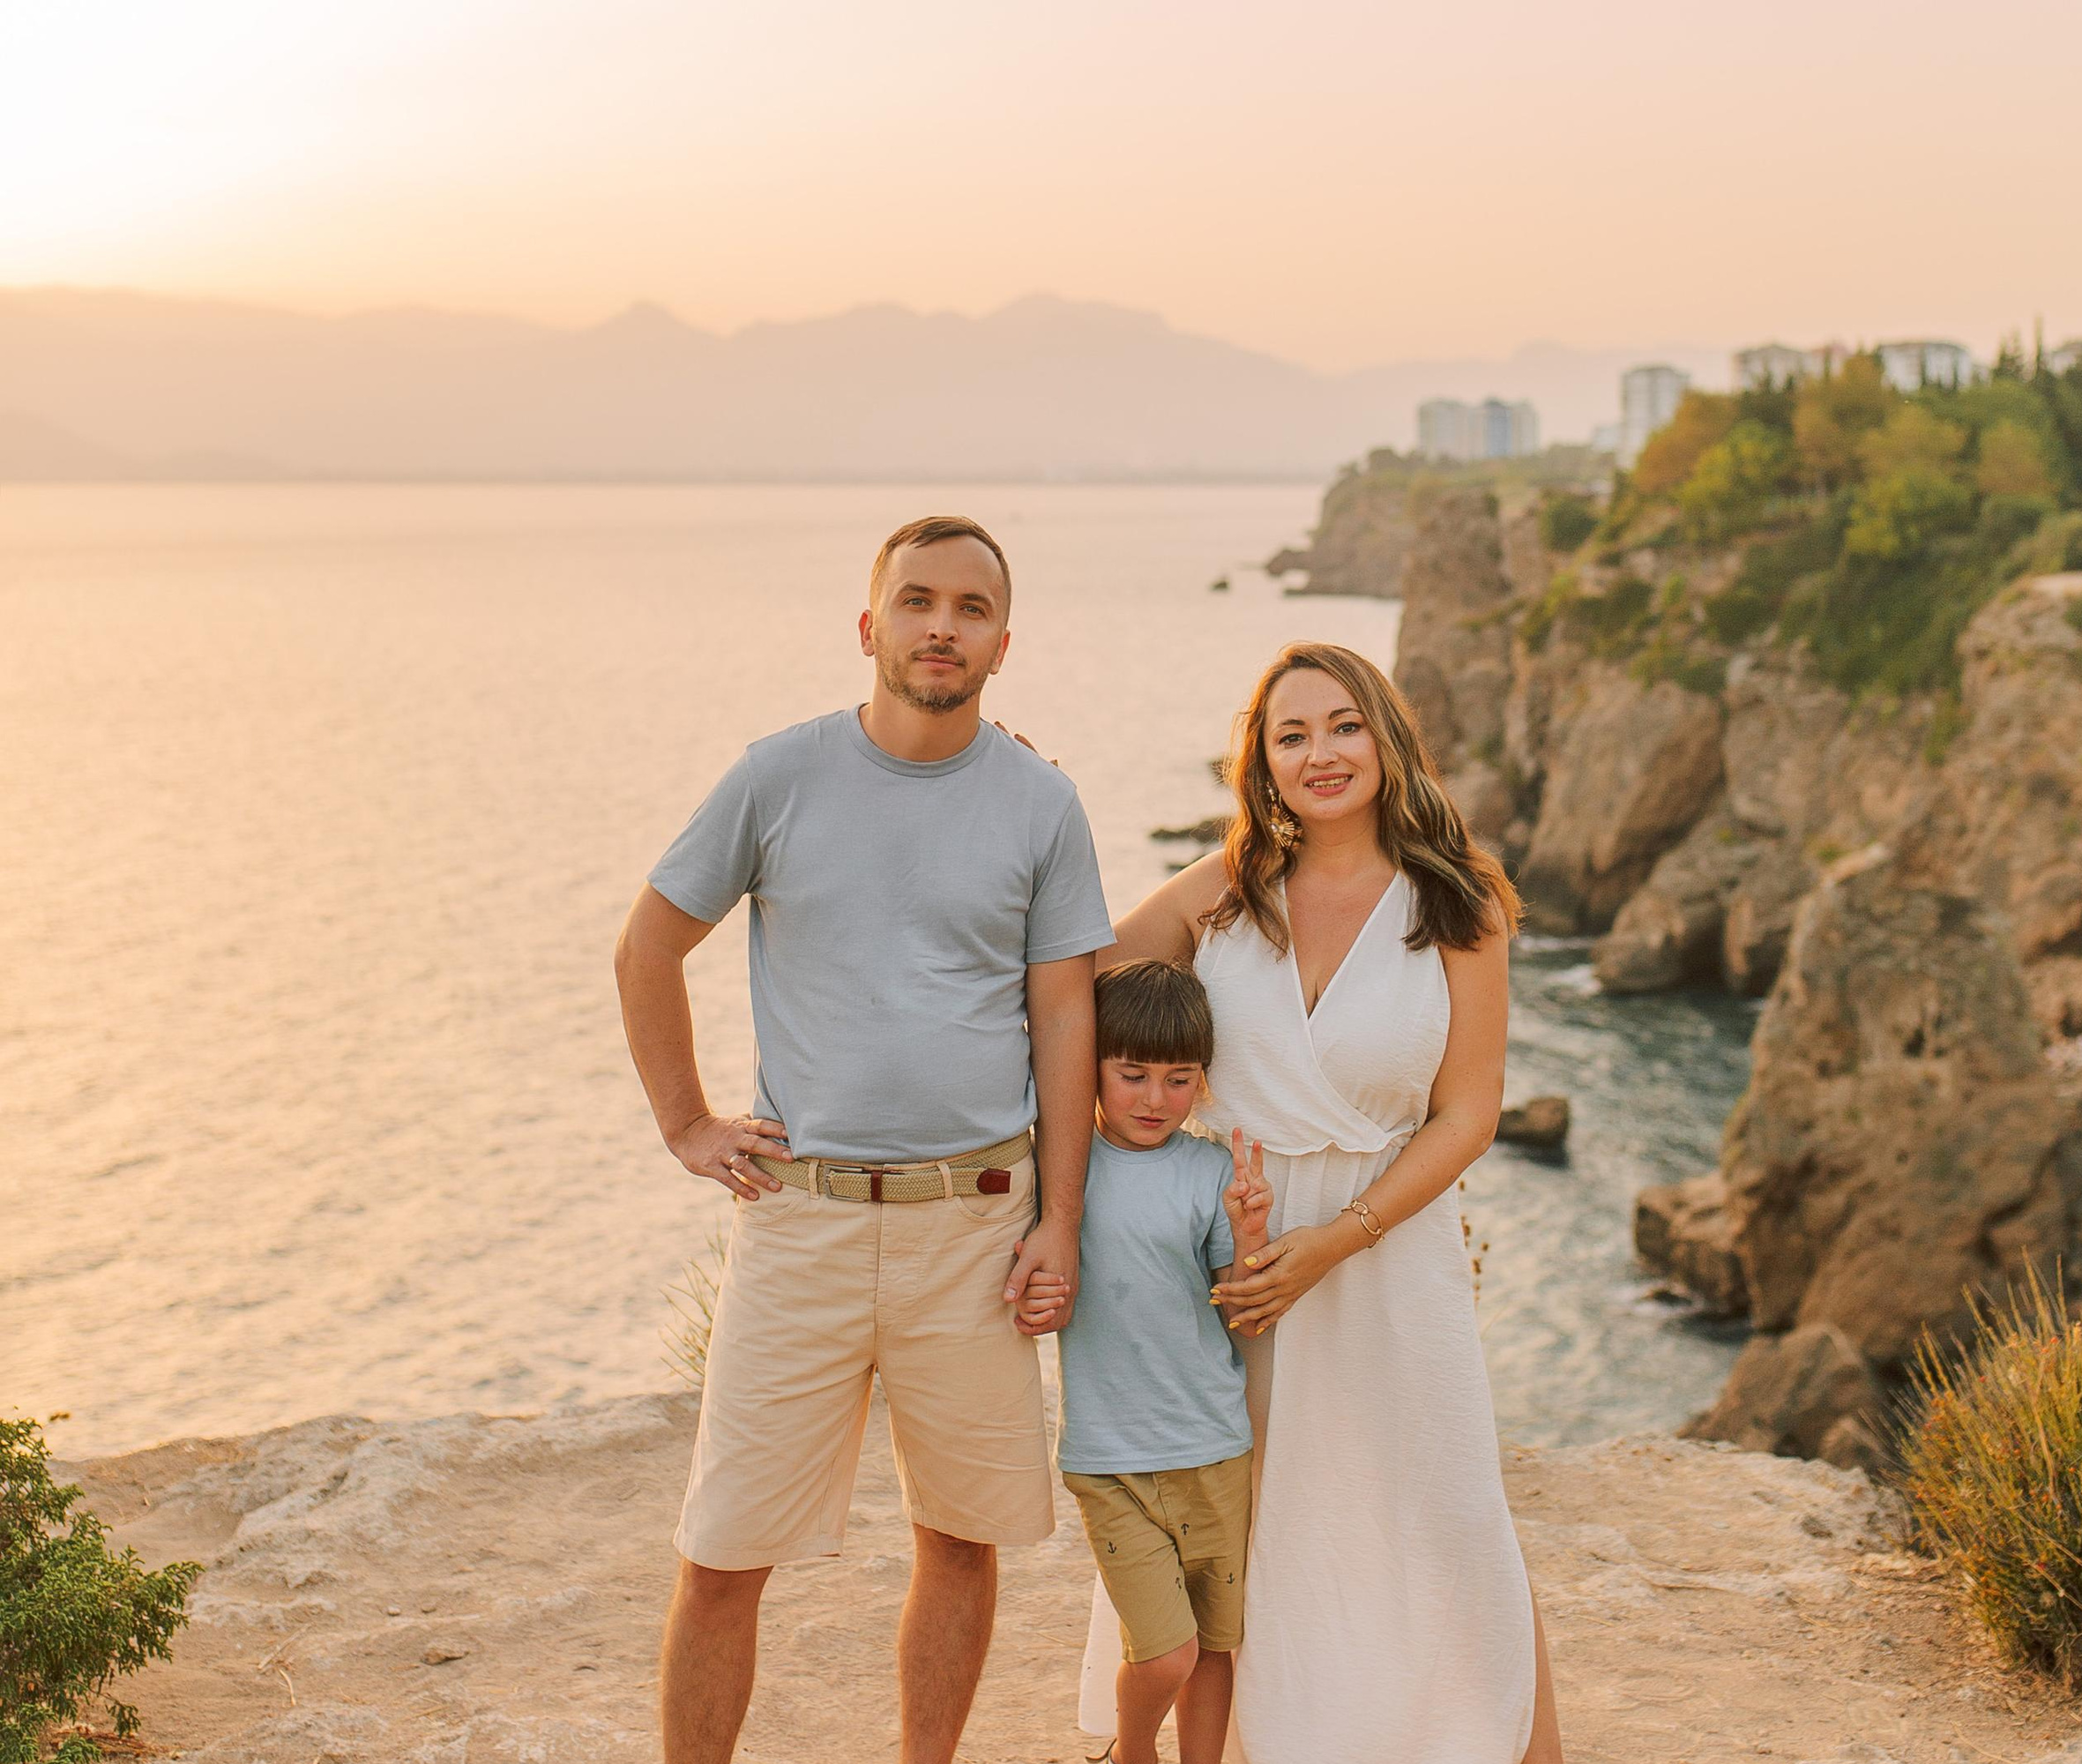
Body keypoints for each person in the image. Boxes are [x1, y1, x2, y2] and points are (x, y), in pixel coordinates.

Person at [613, 514, 1113, 1764]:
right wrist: (686, 1122)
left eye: (971, 609)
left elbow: (1067, 1013)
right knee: (723, 1548)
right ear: (869, 624)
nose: (943, 625)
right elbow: (649, 946)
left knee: (960, 1538)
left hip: (978, 1229)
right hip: (804, 1223)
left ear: (1003, 643)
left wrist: (1060, 1220)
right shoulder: (775, 778)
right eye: (918, 601)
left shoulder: (1042, 802)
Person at [1041, 639, 1568, 1762]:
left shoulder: (1456, 899)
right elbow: (1073, 973)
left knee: (1439, 1503)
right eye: (1292, 734)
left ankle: (1506, 1744)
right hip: (1232, 1250)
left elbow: (1468, 1114)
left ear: (1384, 736)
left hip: (1382, 1245)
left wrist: (1337, 1239)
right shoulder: (1229, 889)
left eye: (1342, 724)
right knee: (1241, 1512)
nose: (1321, 752)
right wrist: (1017, 814)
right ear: (1262, 761)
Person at [1046, 959, 1273, 1764]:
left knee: (1215, 1647)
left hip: (1215, 1448)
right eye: (1132, 1073)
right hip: (1112, 1461)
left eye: (1179, 1080)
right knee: (1167, 1651)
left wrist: (1249, 1241)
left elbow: (1240, 1307)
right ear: (1095, 1067)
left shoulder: (1212, 1171)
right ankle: (1132, 1753)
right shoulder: (1063, 1166)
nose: (1154, 1099)